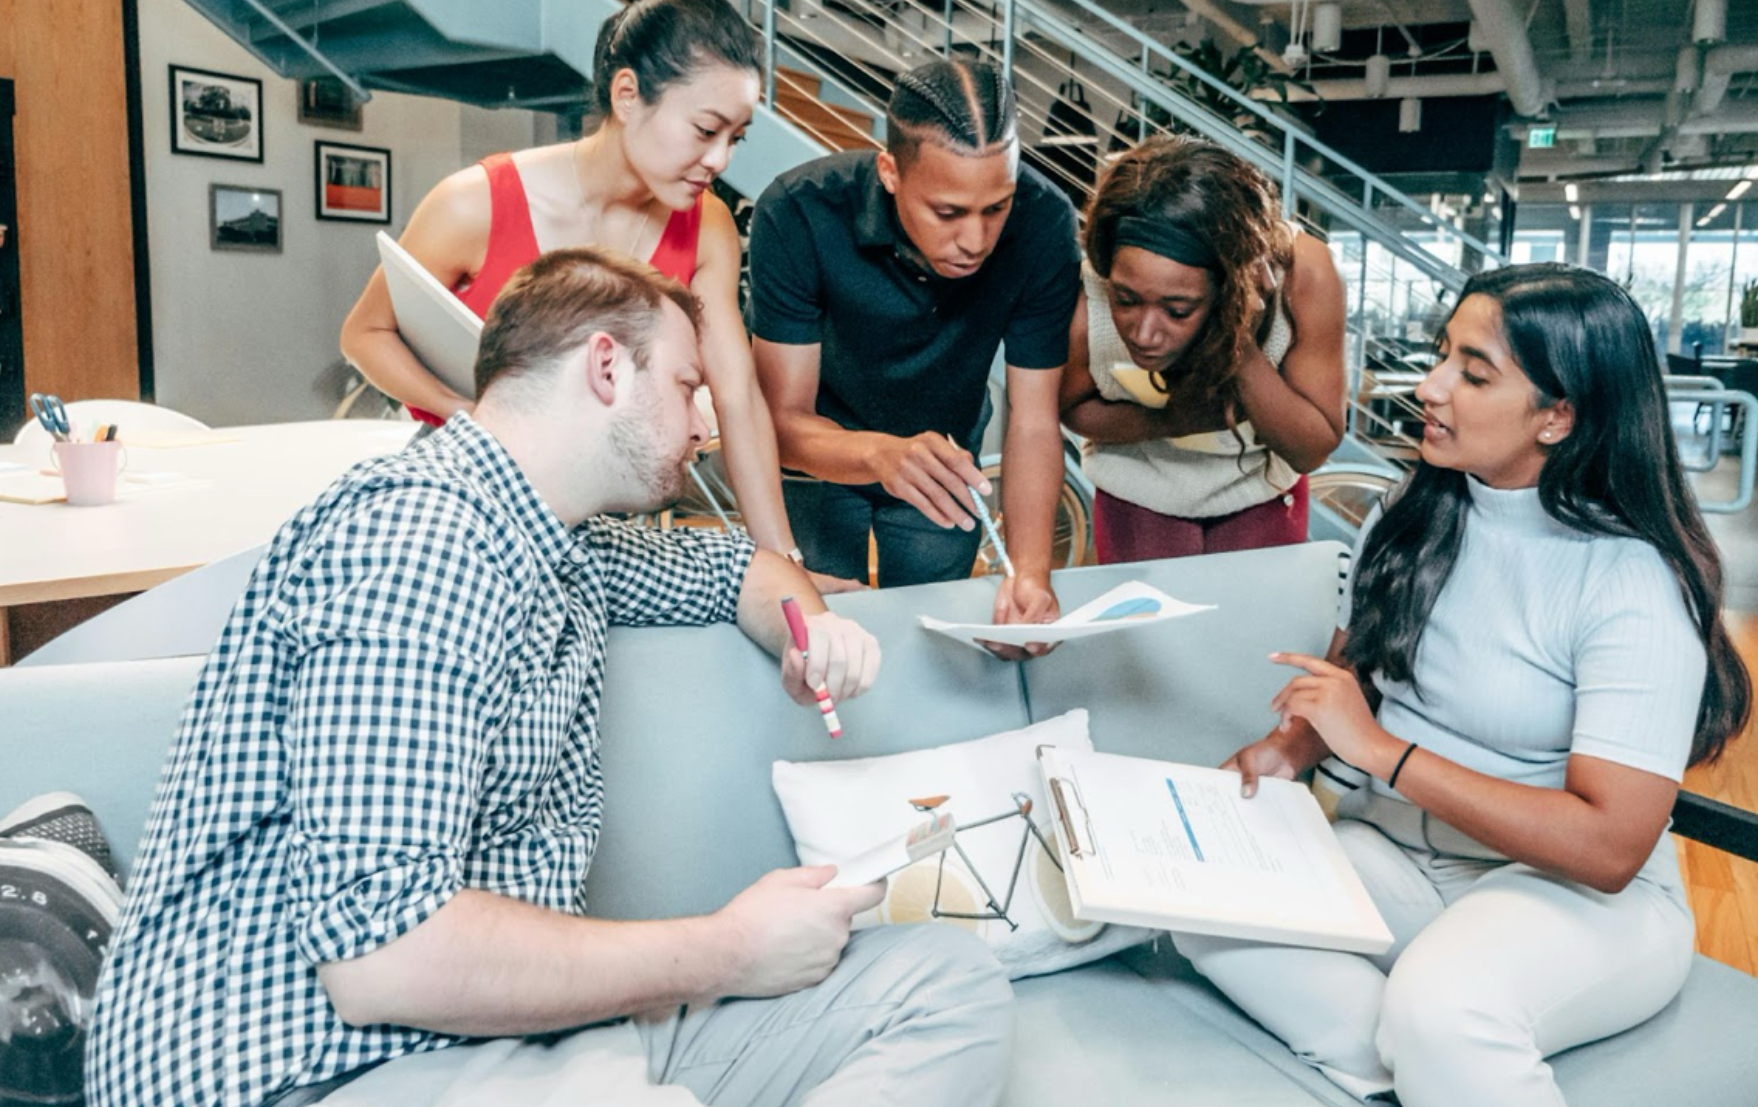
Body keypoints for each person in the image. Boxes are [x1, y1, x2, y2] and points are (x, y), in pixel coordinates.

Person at [87, 250, 1014, 1107]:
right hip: (309, 1066)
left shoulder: (567, 542)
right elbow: (381, 960)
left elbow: (746, 570)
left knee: (948, 984)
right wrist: (730, 949)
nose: (703, 425)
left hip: (520, 1036)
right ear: (606, 367)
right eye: (686, 386)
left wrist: (810, 630)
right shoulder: (422, 543)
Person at [1178, 263, 1750, 1107]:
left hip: (1575, 896)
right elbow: (1354, 678)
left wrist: (1383, 753)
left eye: (1473, 373)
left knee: (1441, 1011)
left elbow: (1609, 849)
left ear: (1558, 416)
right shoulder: (1410, 512)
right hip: (1399, 859)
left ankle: (1426, 1049)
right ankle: (1409, 1071)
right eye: (1443, 354)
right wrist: (1284, 750)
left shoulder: (1632, 578)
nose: (1431, 386)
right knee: (1199, 900)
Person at [338, 0, 840, 583]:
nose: (719, 160)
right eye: (705, 130)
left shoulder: (707, 226)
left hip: (599, 520)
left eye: (736, 139)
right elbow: (365, 334)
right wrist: (467, 413)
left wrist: (785, 563)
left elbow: (739, 398)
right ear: (627, 95)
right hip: (466, 496)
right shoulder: (471, 204)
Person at [748, 58, 1078, 653]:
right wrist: (879, 453)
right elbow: (781, 420)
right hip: (818, 457)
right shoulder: (798, 211)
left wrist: (1030, 574)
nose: (975, 241)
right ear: (890, 173)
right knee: (816, 637)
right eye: (947, 212)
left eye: (996, 208)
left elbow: (1034, 419)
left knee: (933, 638)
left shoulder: (1045, 222)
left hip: (945, 461)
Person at [1060, 136, 1346, 563]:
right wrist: (1176, 420)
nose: (1145, 334)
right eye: (1126, 300)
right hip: (1135, 490)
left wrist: (1239, 340)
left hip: (1262, 490)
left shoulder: (1305, 272)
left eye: (1178, 310)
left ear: (1232, 287)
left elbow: (1310, 449)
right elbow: (1072, 408)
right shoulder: (1090, 286)